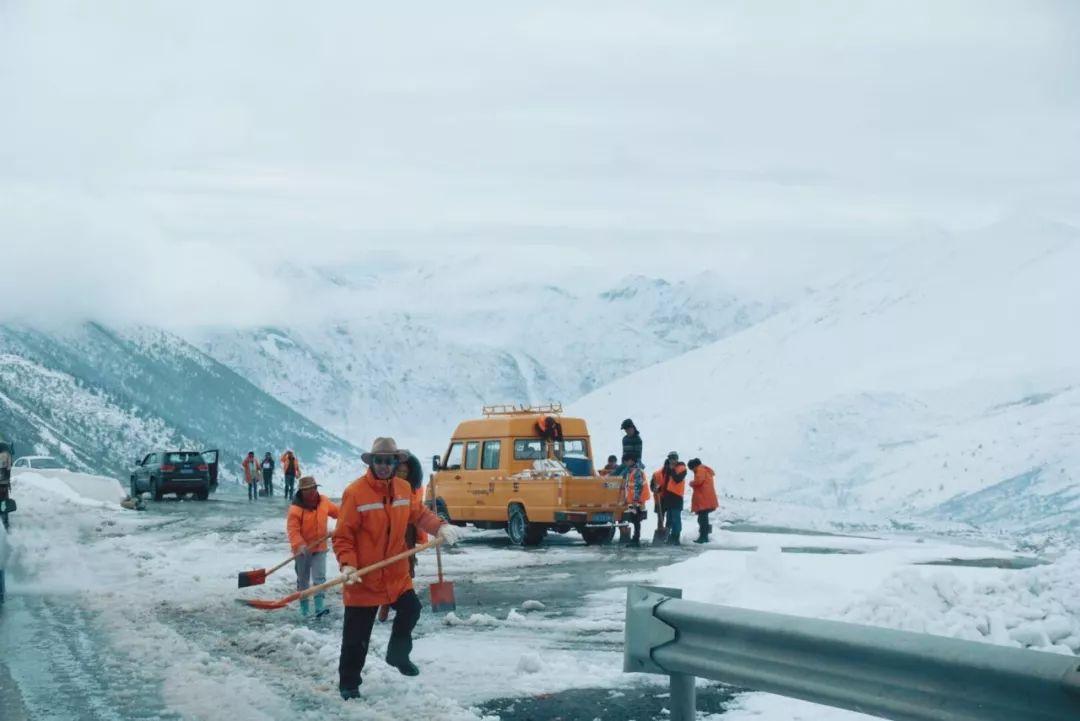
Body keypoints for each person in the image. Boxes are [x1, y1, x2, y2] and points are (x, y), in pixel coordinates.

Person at [333, 437, 463, 700]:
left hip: (395, 573)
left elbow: (419, 515)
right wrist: (347, 564)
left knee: (411, 610)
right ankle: (349, 683)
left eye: (388, 461)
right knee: (356, 637)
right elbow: (343, 535)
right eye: (378, 461)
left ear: (396, 462)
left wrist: (440, 526)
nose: (383, 466)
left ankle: (397, 654)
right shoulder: (355, 492)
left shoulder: (404, 489)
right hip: (363, 576)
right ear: (372, 463)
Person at [287, 476, 339, 617]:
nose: (311, 492)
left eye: (313, 489)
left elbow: (339, 513)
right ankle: (304, 610)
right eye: (307, 490)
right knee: (303, 580)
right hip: (302, 551)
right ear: (301, 492)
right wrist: (299, 544)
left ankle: (319, 608)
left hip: (320, 547)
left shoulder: (324, 501)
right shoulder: (295, 509)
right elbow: (293, 530)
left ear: (316, 488)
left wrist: (346, 521)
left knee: (319, 578)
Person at [618, 453, 649, 545]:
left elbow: (637, 488)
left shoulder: (637, 472)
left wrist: (635, 501)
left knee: (636, 520)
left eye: (626, 461)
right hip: (633, 501)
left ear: (631, 461)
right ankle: (635, 539)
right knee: (635, 520)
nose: (625, 463)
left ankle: (636, 540)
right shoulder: (631, 471)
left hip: (637, 502)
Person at [657, 451, 687, 545]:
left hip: (676, 497)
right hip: (668, 497)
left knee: (675, 518)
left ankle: (676, 537)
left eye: (674, 458)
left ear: (677, 459)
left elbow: (677, 479)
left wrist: (672, 469)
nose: (672, 461)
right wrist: (659, 489)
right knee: (669, 519)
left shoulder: (682, 468)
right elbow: (665, 483)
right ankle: (669, 536)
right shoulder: (667, 470)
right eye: (670, 459)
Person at [687, 458, 718, 544]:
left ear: (694, 466)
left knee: (702, 519)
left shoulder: (700, 469)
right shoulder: (704, 469)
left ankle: (703, 537)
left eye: (691, 469)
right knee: (703, 518)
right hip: (706, 498)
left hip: (703, 498)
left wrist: (691, 483)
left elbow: (699, 481)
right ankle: (704, 536)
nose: (692, 471)